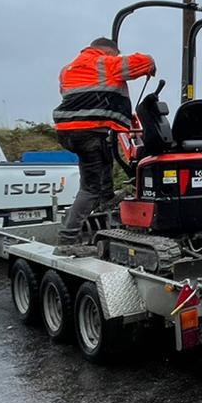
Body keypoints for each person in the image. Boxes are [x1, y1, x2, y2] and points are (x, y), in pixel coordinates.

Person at [52, 36, 156, 253]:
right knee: (90, 188)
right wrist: (151, 65)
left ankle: (106, 198)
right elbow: (143, 61)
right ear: (109, 52)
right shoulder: (105, 63)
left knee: (104, 157)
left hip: (69, 131)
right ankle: (67, 239)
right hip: (88, 131)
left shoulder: (67, 70)